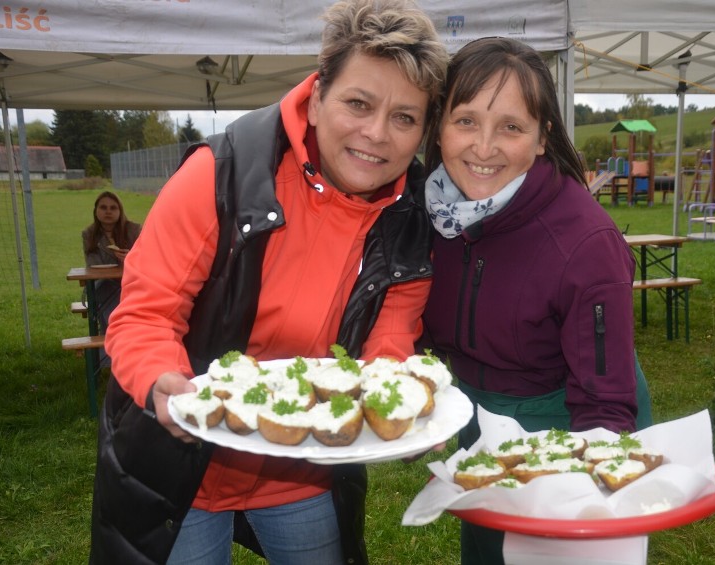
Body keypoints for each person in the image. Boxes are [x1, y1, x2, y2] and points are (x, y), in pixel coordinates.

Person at [88, 1, 448, 564]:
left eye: (405, 117)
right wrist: (162, 380)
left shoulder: (412, 214)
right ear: (318, 93)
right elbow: (144, 314)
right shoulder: (221, 172)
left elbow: (390, 339)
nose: (377, 134)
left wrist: (399, 406)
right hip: (182, 468)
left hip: (305, 470)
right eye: (359, 103)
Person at [418, 37, 646, 564]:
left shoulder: (586, 244)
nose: (483, 147)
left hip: (569, 415)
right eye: (466, 121)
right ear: (440, 126)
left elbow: (605, 403)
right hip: (478, 417)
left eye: (511, 127)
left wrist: (584, 490)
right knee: (486, 551)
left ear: (543, 137)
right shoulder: (428, 209)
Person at [81, 190, 141, 366]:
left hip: (130, 284)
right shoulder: (88, 234)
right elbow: (93, 265)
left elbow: (146, 258)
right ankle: (119, 350)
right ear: (96, 211)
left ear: (120, 211)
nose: (108, 211)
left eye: (113, 208)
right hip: (101, 285)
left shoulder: (134, 230)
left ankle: (114, 354)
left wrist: (131, 256)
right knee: (109, 290)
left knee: (121, 294)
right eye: (103, 207)